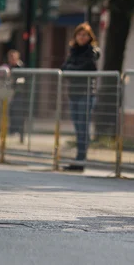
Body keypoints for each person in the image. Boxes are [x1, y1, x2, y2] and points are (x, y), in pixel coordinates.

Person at [60, 22, 100, 172]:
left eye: (85, 35)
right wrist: (72, 69)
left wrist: (72, 70)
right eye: (79, 34)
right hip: (73, 93)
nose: (82, 37)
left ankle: (81, 159)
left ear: (90, 37)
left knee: (83, 127)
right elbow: (63, 68)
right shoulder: (73, 51)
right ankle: (79, 158)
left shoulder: (92, 51)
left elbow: (87, 66)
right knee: (77, 128)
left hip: (86, 94)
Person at [1, 50, 26, 141]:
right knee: (11, 111)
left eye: (13, 57)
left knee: (18, 111)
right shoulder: (9, 67)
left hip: (19, 93)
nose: (11, 59)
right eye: (10, 57)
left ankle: (18, 131)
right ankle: (12, 130)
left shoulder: (20, 67)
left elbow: (22, 80)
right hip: (10, 92)